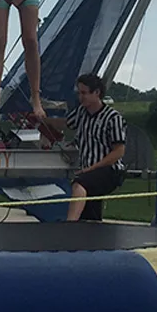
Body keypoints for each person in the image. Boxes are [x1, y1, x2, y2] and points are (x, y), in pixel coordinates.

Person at [63, 73, 126, 222]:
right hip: (88, 170)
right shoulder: (81, 112)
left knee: (79, 185)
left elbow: (119, 151)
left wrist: (92, 168)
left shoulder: (113, 118)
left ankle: (69, 225)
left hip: (109, 170)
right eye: (79, 93)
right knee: (89, 210)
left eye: (84, 93)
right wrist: (43, 120)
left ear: (97, 92)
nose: (80, 97)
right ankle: (90, 230)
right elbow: (65, 124)